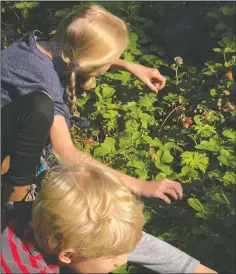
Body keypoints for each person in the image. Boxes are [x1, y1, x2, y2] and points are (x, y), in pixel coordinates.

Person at [1, 4, 216, 273]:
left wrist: (128, 65)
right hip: (8, 159)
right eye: (111, 59)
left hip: (14, 132)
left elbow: (75, 53)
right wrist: (139, 186)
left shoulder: (42, 46)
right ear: (88, 62)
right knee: (87, 219)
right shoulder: (43, 81)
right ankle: (11, 198)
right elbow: (66, 154)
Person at [1, 163, 216, 273]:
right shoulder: (18, 267)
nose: (122, 260)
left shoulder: (51, 219)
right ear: (67, 254)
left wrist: (195, 270)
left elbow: (138, 245)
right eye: (113, 257)